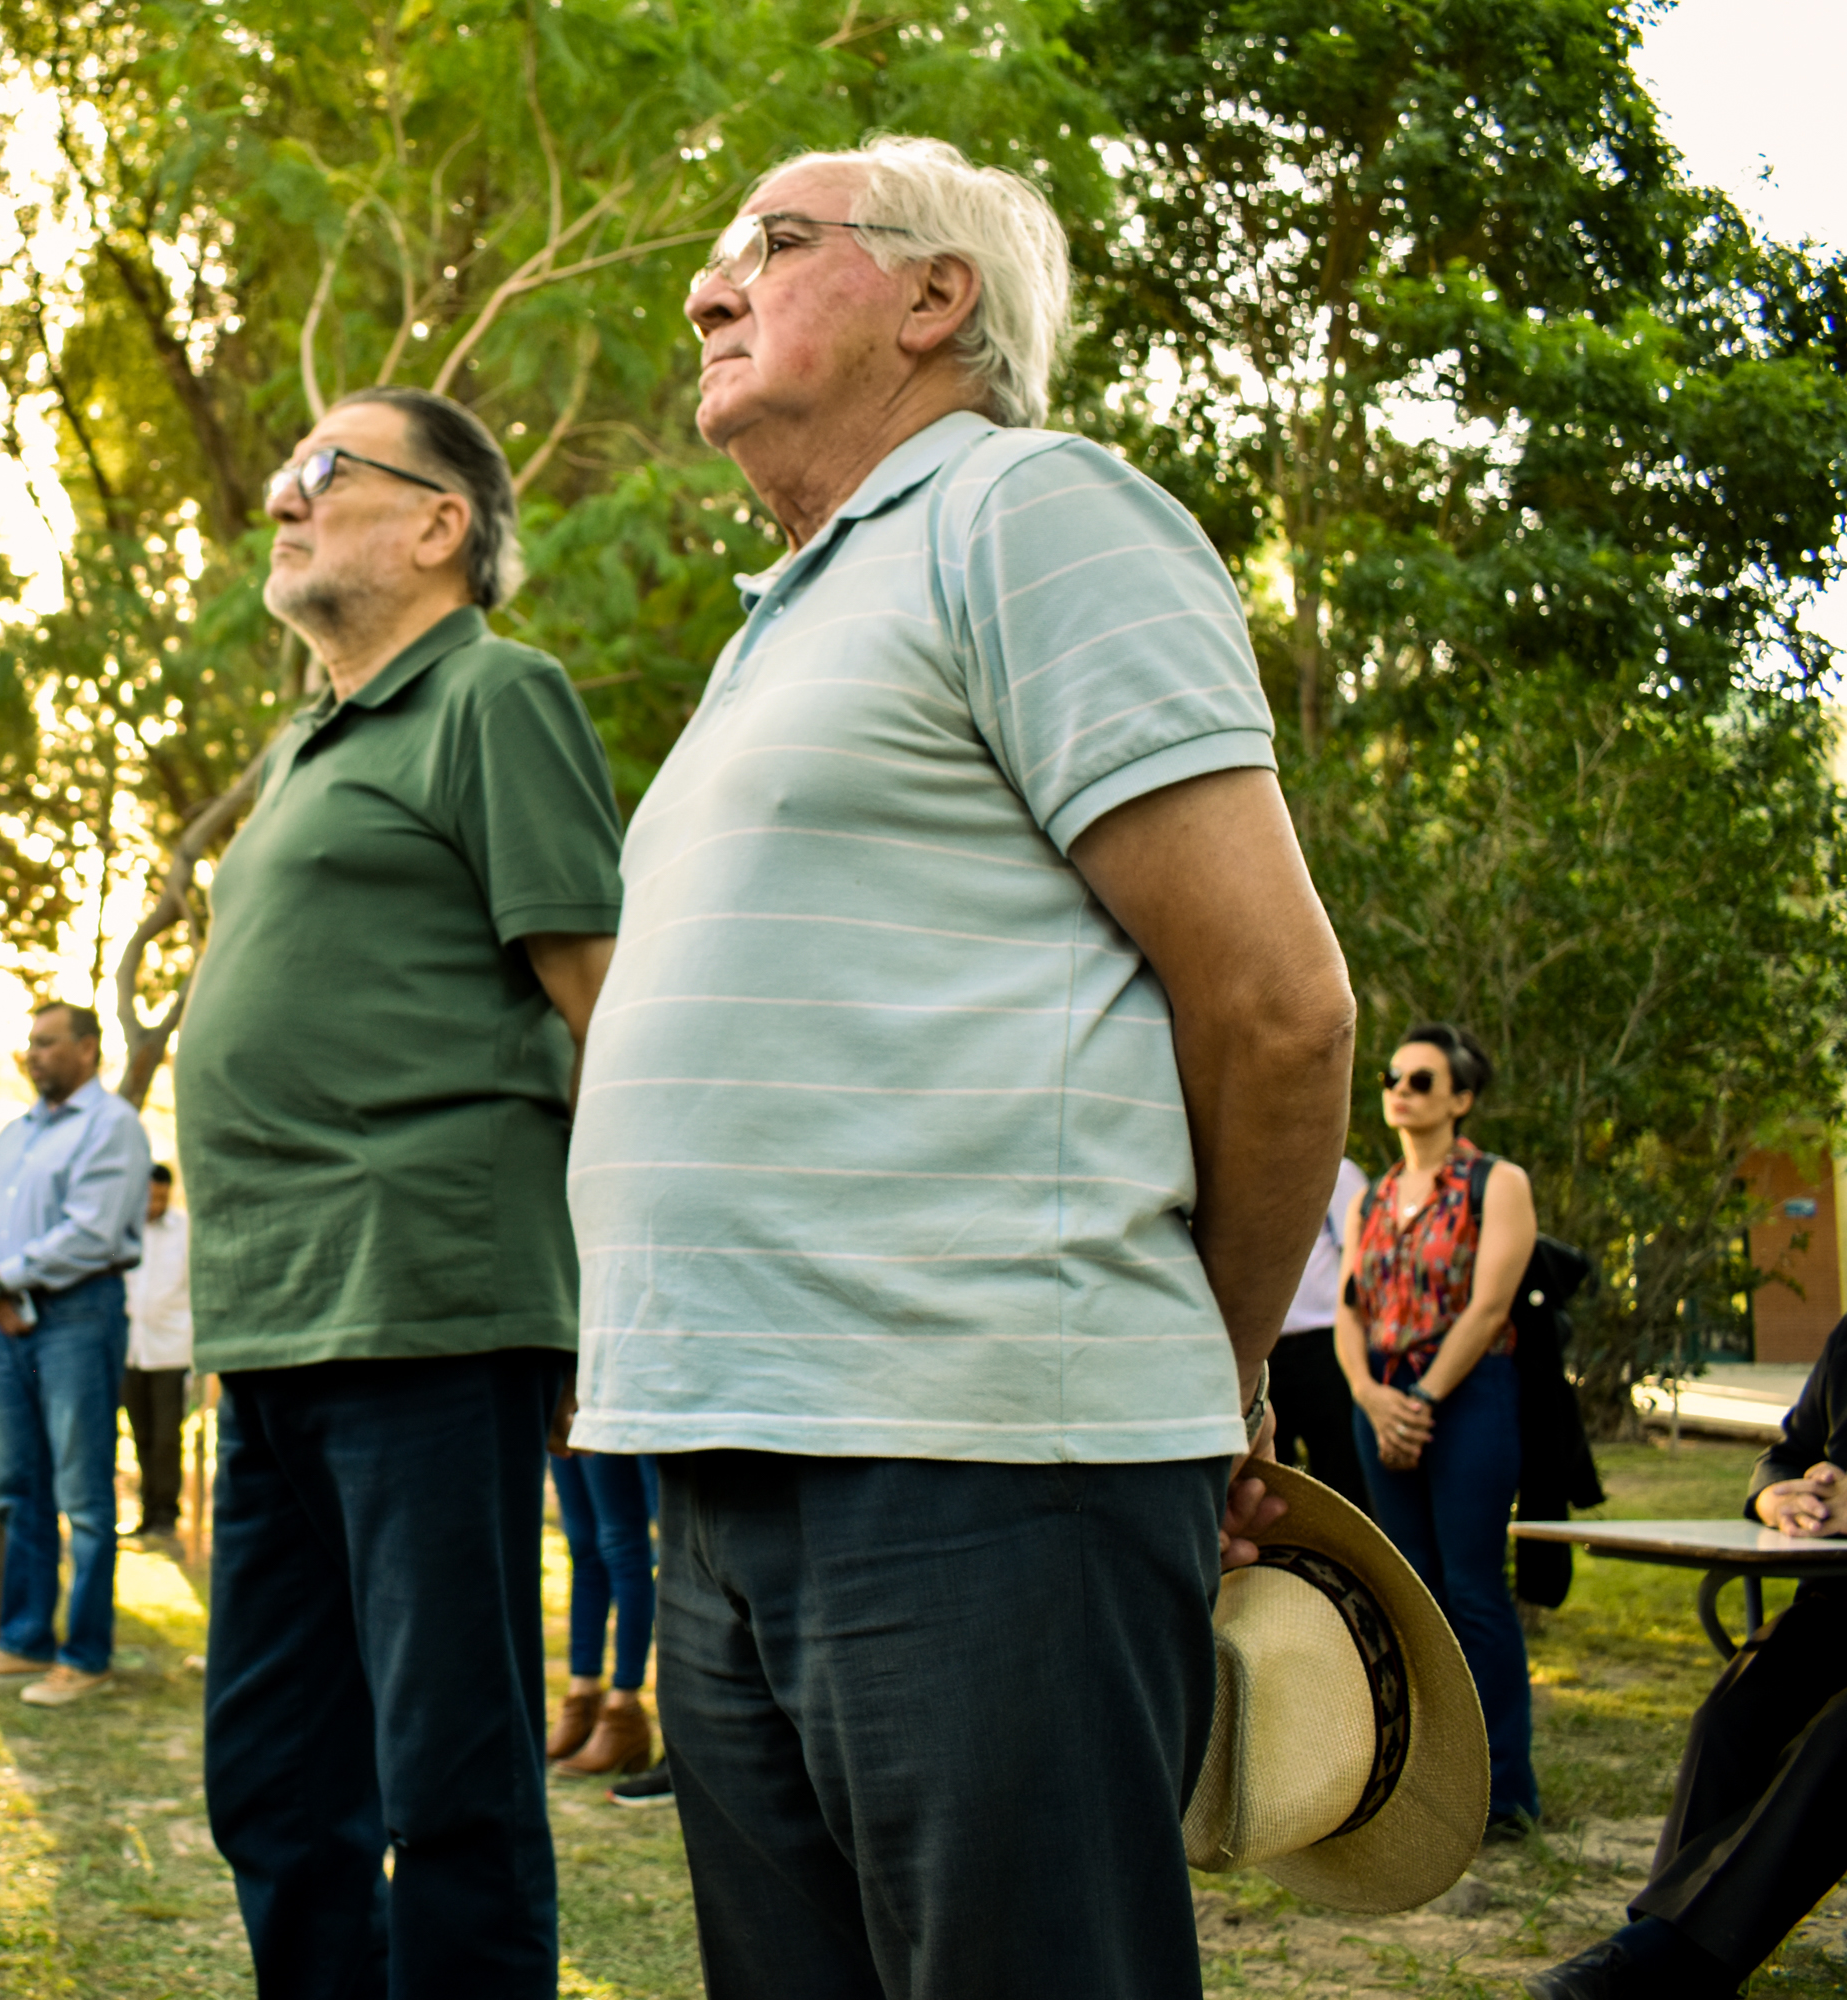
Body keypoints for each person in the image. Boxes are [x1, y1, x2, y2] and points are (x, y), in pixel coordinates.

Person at [565, 137, 1349, 1999]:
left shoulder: (1031, 512)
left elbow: (1277, 1006)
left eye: (769, 242)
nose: (706, 286)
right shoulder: (791, 616)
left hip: (981, 1455)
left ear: (938, 300)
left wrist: (1222, 1368)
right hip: (729, 1463)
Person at [174, 383, 623, 2000]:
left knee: (449, 1779)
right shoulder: (307, 741)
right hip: (275, 1315)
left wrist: (619, 1301)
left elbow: (605, 1000)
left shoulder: (495, 698)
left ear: (442, 524)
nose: (284, 500)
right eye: (285, 472)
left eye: (324, 471)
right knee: (276, 1777)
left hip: (429, 1299)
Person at [1527, 1311, 1847, 2000]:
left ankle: (1662, 1965)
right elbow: (1787, 1453)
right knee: (1733, 1714)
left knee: (1840, 1736)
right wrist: (1777, 1497)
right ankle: (1667, 1953)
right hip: (1838, 1611)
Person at [1337, 1020, 1541, 1837]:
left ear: (1460, 1098)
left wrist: (1419, 1400)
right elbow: (1350, 1311)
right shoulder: (1373, 1196)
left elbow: (1489, 1306)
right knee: (1412, 1594)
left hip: (1467, 1393)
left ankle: (1504, 1792)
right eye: (1393, 1076)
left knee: (1473, 1589)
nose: (1400, 1089)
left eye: (1421, 1080)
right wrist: (1369, 1394)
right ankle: (1426, 1783)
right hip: (1380, 1393)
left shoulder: (1498, 1183)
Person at [0, 1002, 151, 1706]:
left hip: (78, 1318)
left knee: (83, 1495)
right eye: (29, 1043)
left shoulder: (112, 1126)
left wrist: (4, 1277)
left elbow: (90, 1234)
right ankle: (24, 1641)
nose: (32, 1054)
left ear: (88, 1049)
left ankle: (86, 1654)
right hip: (8, 1325)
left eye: (47, 1042)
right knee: (15, 1485)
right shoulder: (11, 1137)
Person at [545, 1446, 657, 1777]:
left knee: (621, 1543)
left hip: (609, 1405)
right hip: (567, 1402)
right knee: (582, 1545)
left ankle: (624, 1708)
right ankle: (583, 1697)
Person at [1271, 1156, 1373, 1511]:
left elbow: (1360, 1262)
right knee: (1268, 1492)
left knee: (1345, 1484)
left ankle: (1351, 1566)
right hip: (1260, 1353)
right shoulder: (1234, 1166)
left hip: (1324, 1344)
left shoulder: (1337, 1170)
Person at [122, 1163, 193, 1542]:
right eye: (151, 1195)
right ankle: (147, 1512)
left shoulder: (184, 1231)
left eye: (162, 1196)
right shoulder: (126, 1228)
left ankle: (166, 1513)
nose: (156, 1203)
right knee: (141, 1434)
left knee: (167, 1436)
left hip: (171, 1350)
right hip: (132, 1349)